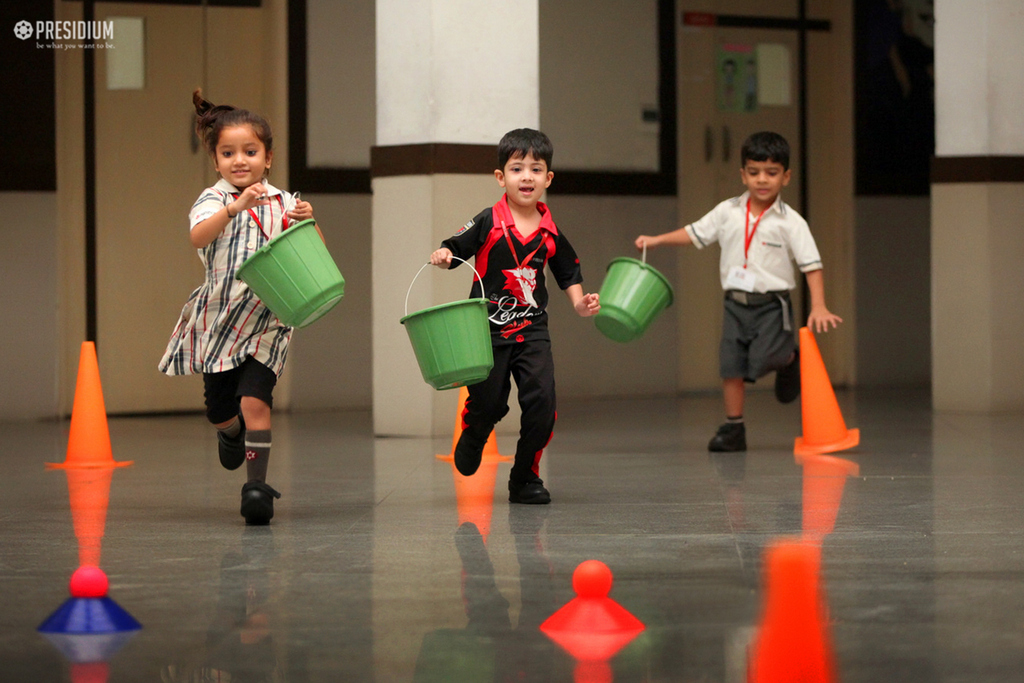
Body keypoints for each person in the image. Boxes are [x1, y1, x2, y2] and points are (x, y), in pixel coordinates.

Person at [159, 89, 322, 524]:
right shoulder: (212, 200)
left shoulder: (286, 202)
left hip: (269, 321)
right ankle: (230, 434)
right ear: (215, 161)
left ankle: (257, 488)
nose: (240, 160)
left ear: (268, 157)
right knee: (221, 408)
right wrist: (234, 208)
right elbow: (198, 237)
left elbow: (314, 254)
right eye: (228, 153)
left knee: (256, 400)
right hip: (220, 321)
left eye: (250, 151)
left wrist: (309, 221)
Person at [635, 131, 842, 452]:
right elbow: (695, 233)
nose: (762, 180)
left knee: (763, 359)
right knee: (731, 365)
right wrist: (657, 240)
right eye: (754, 172)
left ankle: (788, 359)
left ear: (785, 177)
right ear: (743, 174)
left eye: (772, 173)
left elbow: (811, 265)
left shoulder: (792, 223)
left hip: (773, 305)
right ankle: (734, 428)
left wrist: (819, 306)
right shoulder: (727, 211)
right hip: (735, 303)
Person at [430, 128, 600, 504]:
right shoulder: (488, 221)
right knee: (489, 401)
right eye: (517, 168)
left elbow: (568, 271)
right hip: (486, 332)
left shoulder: (551, 232)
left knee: (543, 407)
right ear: (500, 177)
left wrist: (578, 303)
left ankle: (525, 478)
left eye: (536, 169)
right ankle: (475, 430)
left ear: (548, 179)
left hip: (533, 331)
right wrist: (443, 255)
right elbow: (455, 247)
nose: (527, 177)